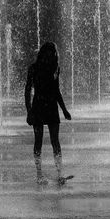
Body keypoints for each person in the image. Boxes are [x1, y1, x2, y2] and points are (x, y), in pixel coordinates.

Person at [25, 42, 71, 185]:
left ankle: (59, 173)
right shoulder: (33, 68)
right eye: (51, 52)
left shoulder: (55, 68)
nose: (53, 55)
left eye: (54, 53)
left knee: (55, 141)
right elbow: (27, 91)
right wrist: (29, 111)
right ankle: (39, 174)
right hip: (38, 107)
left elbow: (56, 91)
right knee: (38, 141)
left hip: (51, 106)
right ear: (44, 53)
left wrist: (64, 109)